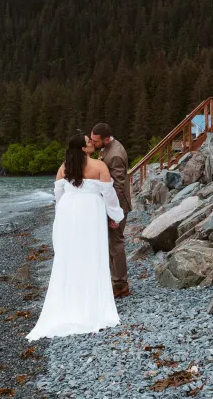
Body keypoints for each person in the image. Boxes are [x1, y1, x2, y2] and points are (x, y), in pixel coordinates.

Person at [26, 131, 125, 341]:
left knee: (70, 256)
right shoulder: (99, 167)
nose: (92, 144)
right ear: (82, 148)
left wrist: (60, 218)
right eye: (89, 142)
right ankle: (91, 303)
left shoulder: (64, 167)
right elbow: (109, 195)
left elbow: (59, 196)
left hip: (68, 212)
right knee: (91, 253)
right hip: (90, 212)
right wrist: (115, 215)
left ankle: (69, 300)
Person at [90, 123, 132, 299]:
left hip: (118, 206)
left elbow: (118, 187)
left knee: (116, 244)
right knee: (111, 244)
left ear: (106, 139)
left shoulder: (115, 154)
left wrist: (115, 214)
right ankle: (114, 281)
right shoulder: (107, 147)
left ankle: (120, 285)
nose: (93, 143)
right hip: (112, 204)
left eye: (95, 141)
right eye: (91, 140)